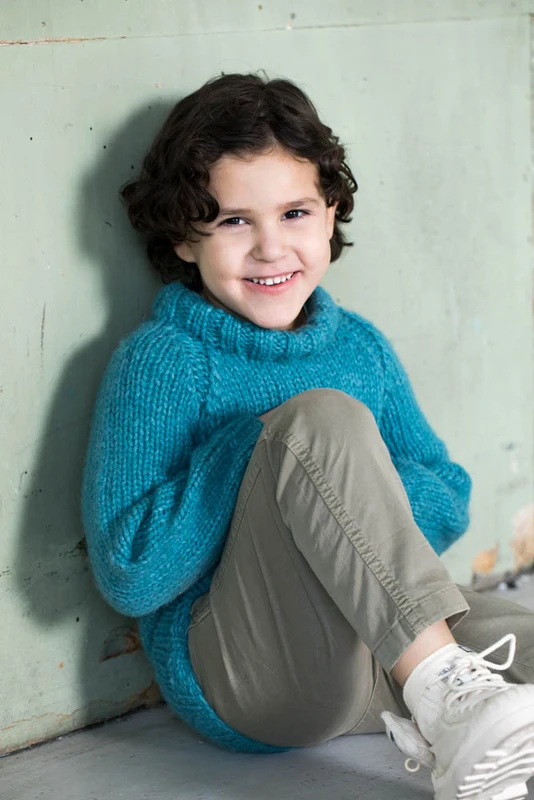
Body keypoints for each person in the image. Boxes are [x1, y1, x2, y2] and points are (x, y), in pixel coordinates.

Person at [81, 72, 534, 800]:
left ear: (330, 216)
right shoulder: (164, 361)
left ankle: (456, 716)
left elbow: (447, 496)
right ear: (184, 238)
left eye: (294, 212)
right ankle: (447, 694)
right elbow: (130, 574)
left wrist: (342, 506)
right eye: (234, 221)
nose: (271, 247)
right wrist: (266, 448)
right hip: (260, 681)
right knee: (319, 421)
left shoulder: (358, 347)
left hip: (376, 647)